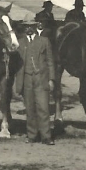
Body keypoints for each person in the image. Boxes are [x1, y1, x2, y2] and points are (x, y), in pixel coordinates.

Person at [15, 16, 56, 144]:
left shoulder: (44, 41)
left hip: (41, 78)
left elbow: (50, 61)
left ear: (35, 26)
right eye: (26, 26)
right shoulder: (19, 42)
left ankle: (46, 136)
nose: (29, 28)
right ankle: (31, 135)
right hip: (26, 78)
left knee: (43, 107)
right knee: (30, 108)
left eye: (31, 26)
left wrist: (52, 79)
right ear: (24, 28)